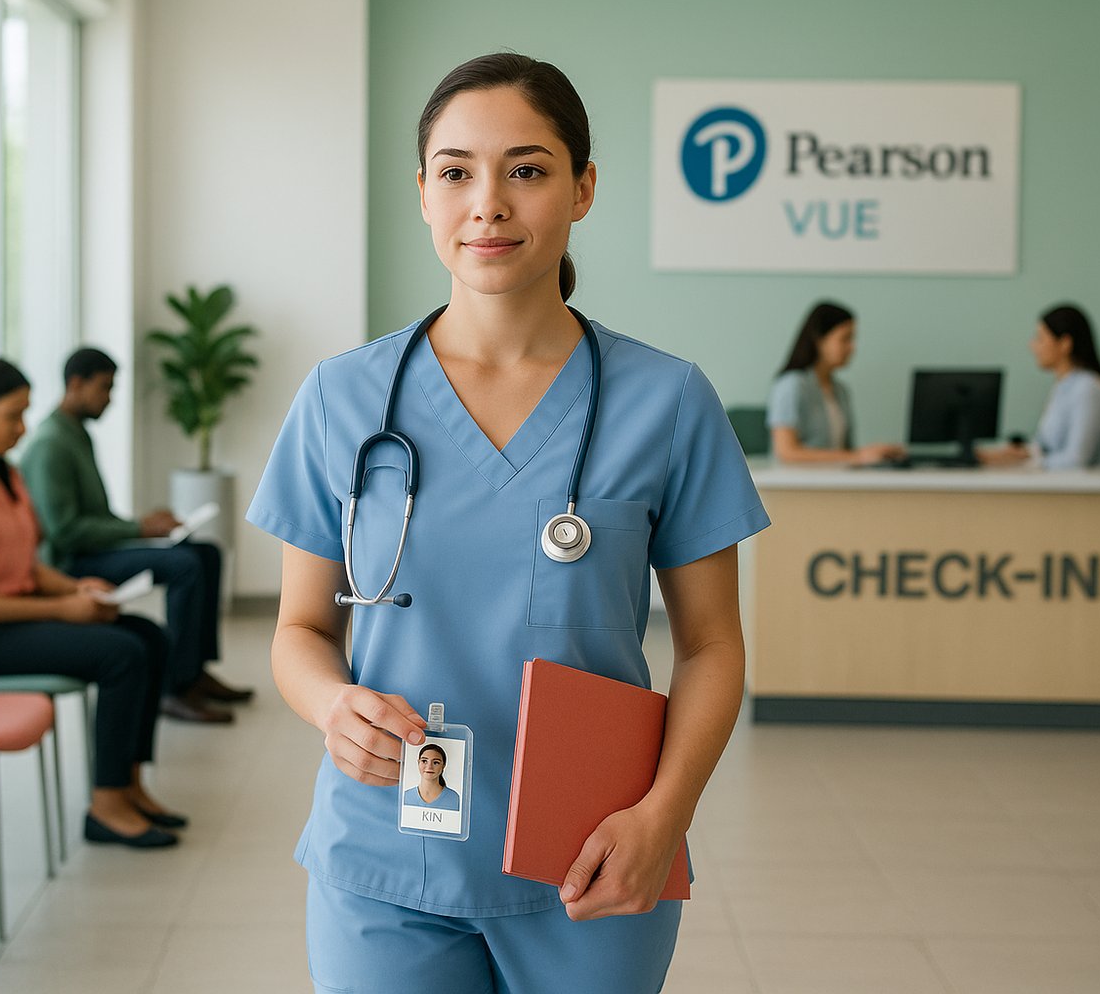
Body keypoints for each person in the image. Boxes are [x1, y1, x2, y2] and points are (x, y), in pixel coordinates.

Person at [248, 52, 770, 993]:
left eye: (526, 170)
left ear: (583, 189)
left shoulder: (668, 401)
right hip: (388, 852)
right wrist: (332, 705)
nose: (488, 203)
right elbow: (298, 632)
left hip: (597, 858)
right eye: (456, 172)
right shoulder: (342, 398)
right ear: (423, 193)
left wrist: (664, 817)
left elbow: (713, 646)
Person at [0, 356, 183, 849]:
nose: (21, 428)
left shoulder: (1, 475)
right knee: (121, 653)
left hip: (10, 616)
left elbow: (25, 566)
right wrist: (60, 609)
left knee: (149, 636)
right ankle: (106, 803)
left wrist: (75, 590)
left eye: (25, 414)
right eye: (12, 415)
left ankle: (130, 782)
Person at [19, 347, 253, 725]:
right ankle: (174, 688)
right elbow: (65, 532)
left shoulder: (76, 435)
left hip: (94, 547)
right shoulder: (51, 444)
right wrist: (139, 529)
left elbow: (93, 516)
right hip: (72, 562)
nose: (109, 398)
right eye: (104, 388)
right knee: (185, 565)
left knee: (206, 552)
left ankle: (193, 672)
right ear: (75, 384)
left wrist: (144, 526)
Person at [980, 304, 1100, 469]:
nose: (1033, 346)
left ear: (1065, 343)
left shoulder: (1088, 389)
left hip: (1097, 492)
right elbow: (1048, 448)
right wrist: (1015, 454)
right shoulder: (1062, 387)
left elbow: (1076, 460)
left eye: (1040, 338)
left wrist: (1027, 462)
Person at [768, 302, 905, 465]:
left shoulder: (841, 391)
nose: (852, 347)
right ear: (819, 340)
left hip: (837, 480)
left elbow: (845, 451)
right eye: (845, 339)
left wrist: (872, 453)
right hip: (800, 485)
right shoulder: (791, 385)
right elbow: (786, 452)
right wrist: (858, 456)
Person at [402, 743, 461, 811]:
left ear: (443, 765)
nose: (429, 767)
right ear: (418, 763)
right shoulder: (406, 796)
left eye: (435, 762)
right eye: (424, 761)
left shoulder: (453, 798)